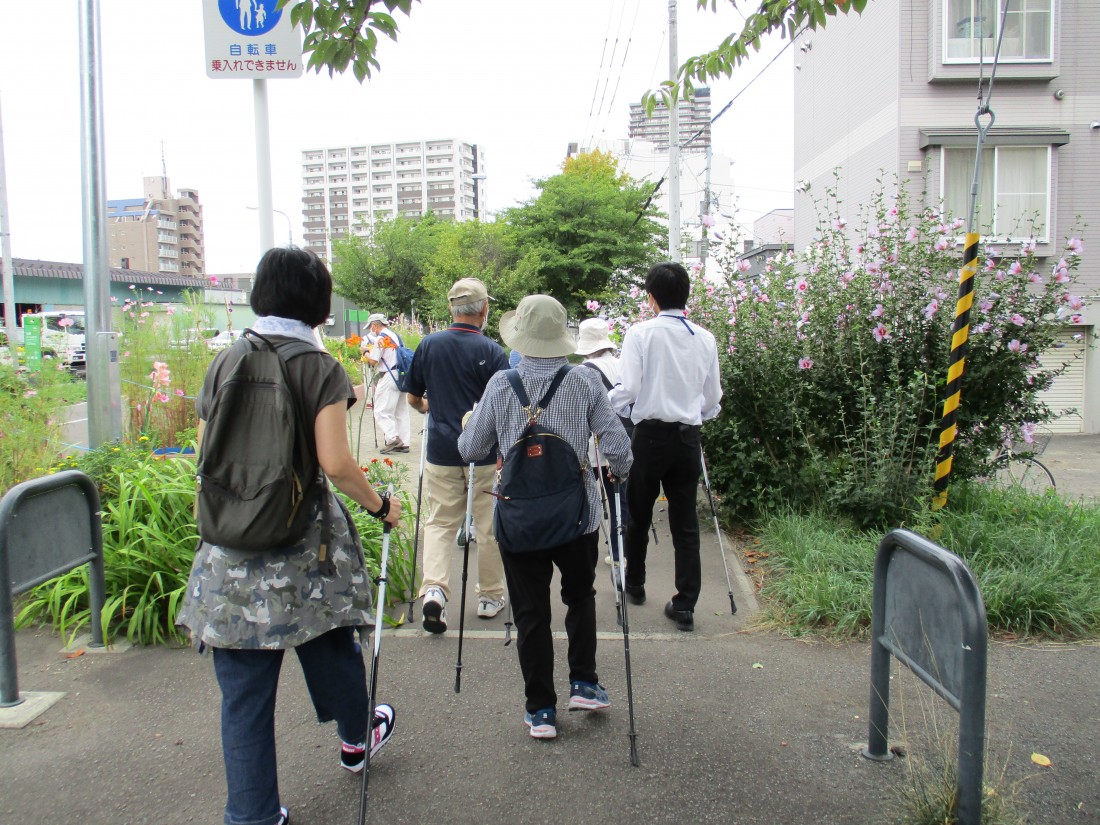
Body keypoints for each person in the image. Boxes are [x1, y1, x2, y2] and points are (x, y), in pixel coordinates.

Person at [177, 248, 402, 825]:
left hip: (229, 550)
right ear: (319, 304)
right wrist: (382, 507)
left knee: (244, 699)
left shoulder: (224, 361)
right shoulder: (318, 366)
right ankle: (358, 736)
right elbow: (337, 464)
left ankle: (252, 815)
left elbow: (202, 456)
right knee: (330, 646)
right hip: (303, 553)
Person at [458, 295, 632, 740]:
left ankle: (540, 710)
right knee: (580, 596)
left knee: (531, 612)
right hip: (576, 515)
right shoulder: (585, 382)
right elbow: (618, 447)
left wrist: (470, 423)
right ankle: (585, 683)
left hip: (519, 517)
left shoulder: (500, 384)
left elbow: (472, 450)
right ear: (561, 337)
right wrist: (620, 472)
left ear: (522, 335)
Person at [610, 261, 722, 633]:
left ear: (651, 297)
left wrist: (605, 406)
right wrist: (693, 413)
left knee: (638, 513)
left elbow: (628, 389)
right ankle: (685, 604)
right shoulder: (705, 338)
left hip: (650, 436)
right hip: (687, 438)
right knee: (685, 522)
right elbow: (713, 398)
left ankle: (636, 584)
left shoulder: (640, 334)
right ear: (685, 295)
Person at [403, 278, 509, 632]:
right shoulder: (494, 352)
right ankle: (490, 595)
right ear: (484, 309)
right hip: (483, 453)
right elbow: (504, 408)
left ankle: (434, 589)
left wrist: (429, 407)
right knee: (488, 525)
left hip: (441, 452)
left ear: (451, 308)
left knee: (439, 522)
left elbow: (413, 398)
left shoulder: (429, 345)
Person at [575, 317, 632, 554]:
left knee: (586, 497)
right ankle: (620, 551)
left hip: (593, 444)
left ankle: (584, 548)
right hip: (624, 439)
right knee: (620, 496)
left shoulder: (580, 372)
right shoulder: (624, 365)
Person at [362, 312, 411, 454]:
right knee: (400, 410)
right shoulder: (394, 336)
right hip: (400, 373)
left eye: (371, 326)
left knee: (380, 410)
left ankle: (392, 438)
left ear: (375, 325)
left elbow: (373, 360)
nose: (371, 329)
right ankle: (404, 442)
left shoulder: (380, 339)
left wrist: (365, 352)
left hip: (389, 375)